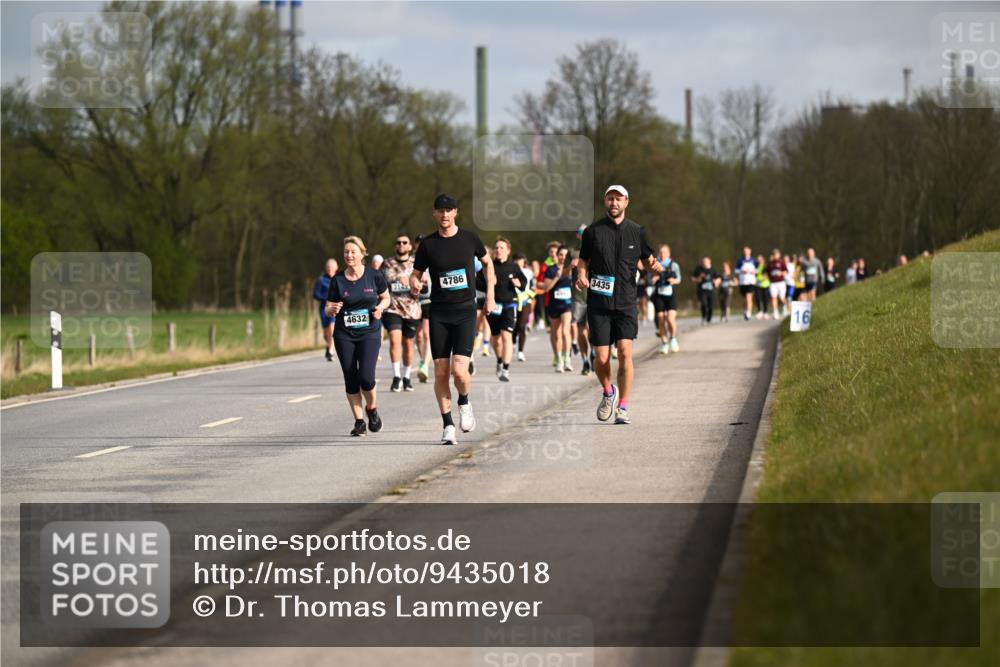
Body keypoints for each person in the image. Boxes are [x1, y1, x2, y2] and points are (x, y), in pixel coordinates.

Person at [410, 194, 494, 445]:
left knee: (459, 371)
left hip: (465, 311)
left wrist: (489, 295)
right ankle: (447, 425)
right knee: (440, 371)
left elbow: (488, 264)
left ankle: (465, 401)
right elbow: (415, 274)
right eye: (440, 211)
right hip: (439, 312)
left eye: (449, 210)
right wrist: (415, 284)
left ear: (456, 212)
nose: (444, 215)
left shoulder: (470, 239)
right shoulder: (427, 244)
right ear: (434, 214)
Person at [576, 184, 662, 425]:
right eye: (610, 199)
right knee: (601, 358)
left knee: (625, 354)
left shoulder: (637, 232)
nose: (614, 203)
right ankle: (608, 392)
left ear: (626, 202)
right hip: (599, 303)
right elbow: (583, 260)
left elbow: (648, 259)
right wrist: (582, 276)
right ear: (605, 202)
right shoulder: (593, 232)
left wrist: (655, 266)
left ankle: (623, 407)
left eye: (618, 199)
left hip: (625, 302)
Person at [325, 237, 390, 437]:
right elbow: (328, 308)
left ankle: (372, 408)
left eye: (353, 252)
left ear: (362, 253)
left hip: (369, 333)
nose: (349, 255)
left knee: (366, 377)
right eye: (346, 252)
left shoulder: (374, 275)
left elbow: (386, 297)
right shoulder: (338, 280)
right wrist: (332, 309)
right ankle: (359, 421)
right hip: (344, 335)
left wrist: (380, 307)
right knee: (351, 378)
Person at [381, 233, 422, 392]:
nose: (401, 245)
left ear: (410, 246)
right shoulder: (387, 264)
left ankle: (406, 377)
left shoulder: (416, 264)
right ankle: (396, 377)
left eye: (405, 242)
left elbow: (425, 287)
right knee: (394, 339)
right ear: (395, 246)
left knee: (408, 344)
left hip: (411, 309)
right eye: (398, 242)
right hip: (393, 307)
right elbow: (380, 285)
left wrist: (413, 284)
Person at [487, 237, 525, 382]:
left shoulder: (514, 267)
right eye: (496, 247)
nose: (498, 250)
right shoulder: (490, 266)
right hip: (494, 306)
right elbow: (478, 283)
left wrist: (518, 283)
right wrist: (489, 283)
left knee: (506, 336)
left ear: (508, 251)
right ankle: (499, 359)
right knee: (496, 340)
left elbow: (524, 283)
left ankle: (506, 369)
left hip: (510, 304)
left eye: (502, 248)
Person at [543, 245, 575, 373]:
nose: (563, 257)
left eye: (565, 255)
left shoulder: (572, 269)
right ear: (557, 256)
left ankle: (567, 359)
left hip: (567, 305)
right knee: (556, 333)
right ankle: (559, 359)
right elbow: (546, 288)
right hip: (554, 305)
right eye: (561, 254)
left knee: (565, 331)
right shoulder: (550, 270)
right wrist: (556, 277)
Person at [651, 244, 681, 354]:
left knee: (670, 319)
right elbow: (649, 277)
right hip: (659, 294)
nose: (662, 254)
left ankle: (673, 338)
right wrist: (653, 278)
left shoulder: (674, 265)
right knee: (661, 318)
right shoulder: (654, 264)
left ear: (669, 253)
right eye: (661, 252)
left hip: (670, 294)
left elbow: (679, 279)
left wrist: (674, 281)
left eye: (665, 252)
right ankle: (664, 343)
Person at [412, 234, 433, 383]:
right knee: (418, 336)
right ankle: (422, 359)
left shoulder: (433, 256)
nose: (420, 246)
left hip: (429, 300)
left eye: (423, 243)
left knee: (426, 334)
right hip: (414, 302)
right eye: (418, 243)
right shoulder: (411, 259)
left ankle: (425, 365)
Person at [313, 258, 339, 361]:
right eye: (328, 267)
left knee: (332, 328)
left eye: (332, 267)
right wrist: (326, 298)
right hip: (324, 308)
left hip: (335, 308)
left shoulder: (339, 279)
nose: (330, 269)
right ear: (326, 268)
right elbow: (315, 294)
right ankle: (329, 345)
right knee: (326, 333)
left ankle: (331, 351)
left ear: (336, 268)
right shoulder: (321, 280)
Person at [512, 253, 535, 362]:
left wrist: (531, 294)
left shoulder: (528, 272)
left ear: (524, 261)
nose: (518, 261)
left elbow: (532, 286)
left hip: (525, 302)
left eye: (520, 259)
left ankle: (520, 351)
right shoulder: (510, 272)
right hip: (513, 301)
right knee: (515, 326)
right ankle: (512, 343)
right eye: (516, 260)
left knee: (522, 326)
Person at [692, 256, 720, 323]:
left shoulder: (713, 270)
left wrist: (716, 282)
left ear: (710, 262)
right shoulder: (698, 269)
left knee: (711, 306)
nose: (705, 263)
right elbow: (693, 278)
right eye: (703, 262)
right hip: (702, 291)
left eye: (706, 261)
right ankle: (704, 316)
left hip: (711, 291)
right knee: (703, 304)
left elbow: (719, 278)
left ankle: (709, 318)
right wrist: (699, 278)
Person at [735, 246, 757, 320]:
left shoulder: (754, 260)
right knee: (744, 299)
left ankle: (749, 313)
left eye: (747, 250)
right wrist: (742, 271)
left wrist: (753, 271)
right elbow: (736, 271)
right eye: (744, 251)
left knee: (749, 297)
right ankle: (745, 310)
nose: (745, 252)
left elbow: (758, 270)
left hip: (751, 282)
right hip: (742, 282)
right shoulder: (740, 260)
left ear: (750, 251)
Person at [767, 248, 787, 318]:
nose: (775, 255)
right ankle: (775, 312)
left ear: (779, 255)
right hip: (773, 283)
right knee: (773, 297)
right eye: (774, 254)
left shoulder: (781, 262)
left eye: (776, 254)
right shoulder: (770, 263)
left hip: (781, 282)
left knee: (782, 298)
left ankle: (785, 308)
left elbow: (785, 272)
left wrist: (780, 273)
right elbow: (767, 273)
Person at [754, 254, 771, 319]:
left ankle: (765, 312)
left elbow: (766, 276)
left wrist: (761, 279)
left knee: (765, 299)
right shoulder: (756, 266)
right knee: (758, 298)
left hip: (765, 285)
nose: (758, 260)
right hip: (758, 285)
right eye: (758, 259)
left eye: (760, 259)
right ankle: (760, 311)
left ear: (763, 259)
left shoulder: (766, 266)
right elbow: (755, 274)